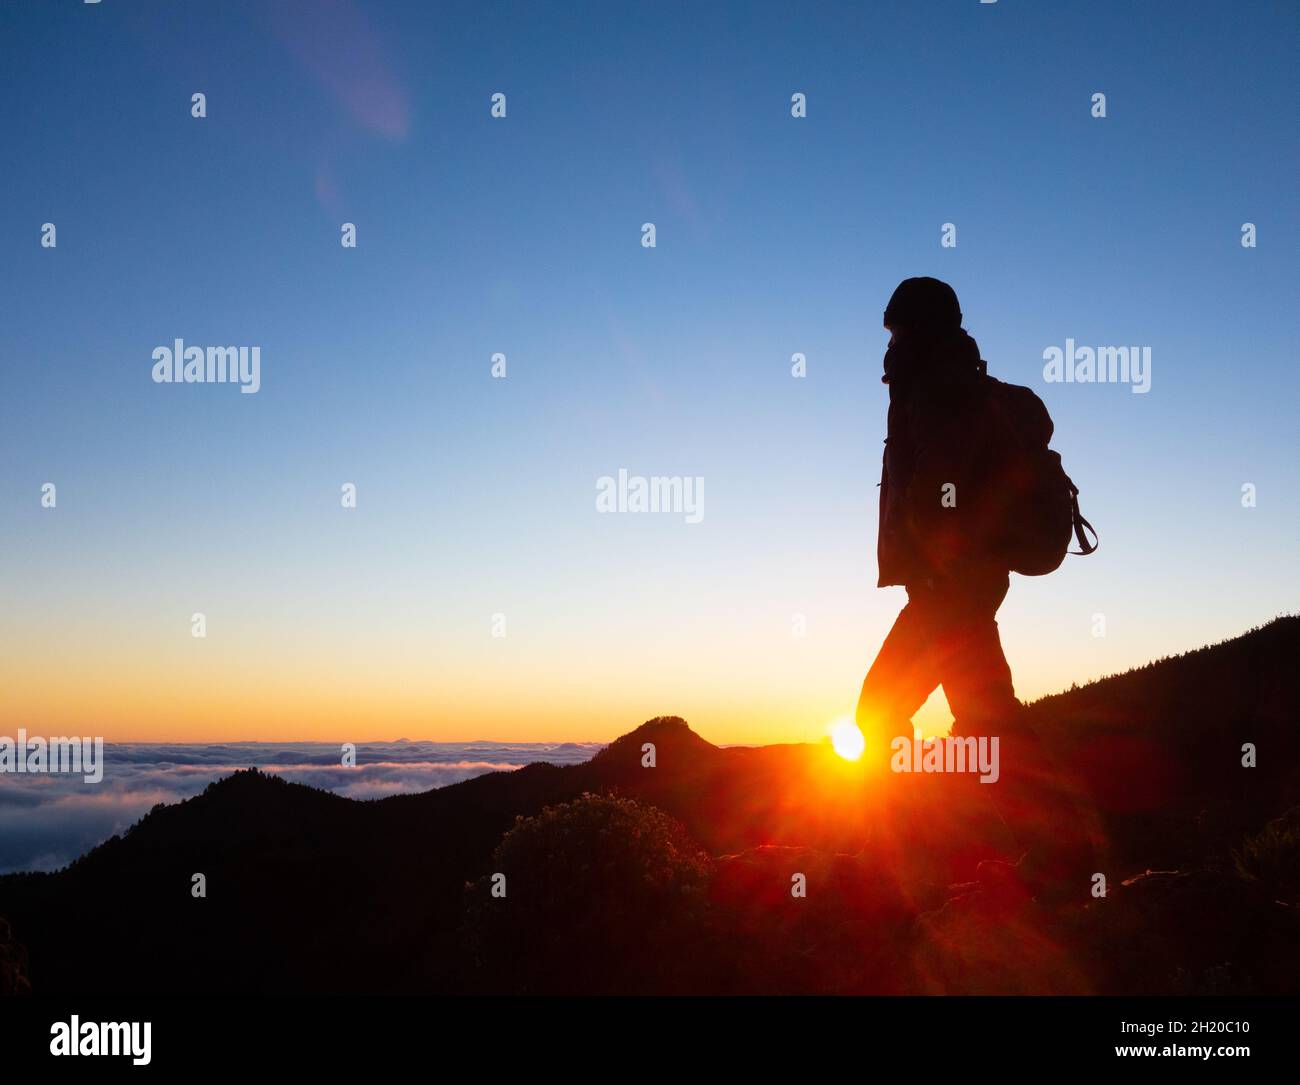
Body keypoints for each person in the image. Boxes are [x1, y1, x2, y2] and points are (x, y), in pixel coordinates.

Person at [856, 277, 1020, 748]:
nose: (890, 344)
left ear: (918, 329)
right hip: (963, 584)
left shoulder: (939, 387)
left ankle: (920, 821)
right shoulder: (950, 381)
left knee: (878, 711)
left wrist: (934, 563)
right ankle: (1048, 820)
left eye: (895, 332)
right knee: (991, 727)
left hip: (946, 589)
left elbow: (939, 484)